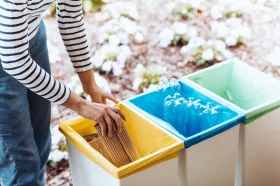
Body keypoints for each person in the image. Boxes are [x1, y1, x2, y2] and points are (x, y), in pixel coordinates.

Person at [0, 0, 126, 185]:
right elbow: (14, 60)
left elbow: (70, 17)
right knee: (22, 161)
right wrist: (80, 105)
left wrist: (90, 85)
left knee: (39, 139)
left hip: (30, 31)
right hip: (8, 54)